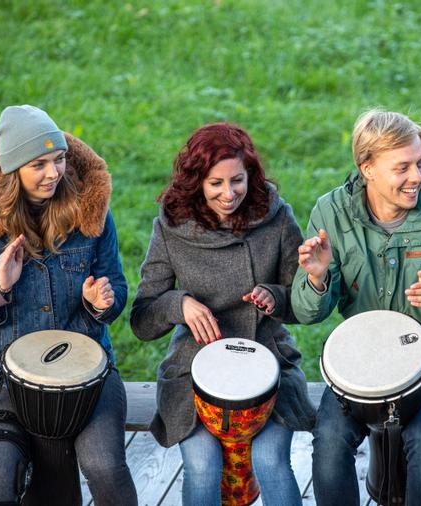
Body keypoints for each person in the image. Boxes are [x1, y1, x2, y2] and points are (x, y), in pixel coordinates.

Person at [0, 105, 137, 505]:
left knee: (104, 465)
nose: (53, 173)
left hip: (88, 376)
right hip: (1, 379)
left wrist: (101, 303)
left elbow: (118, 289)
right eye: (38, 164)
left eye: (58, 159)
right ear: (13, 170)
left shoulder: (89, 210)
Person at [292, 109, 421, 506]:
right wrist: (317, 278)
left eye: (420, 163)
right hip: (363, 364)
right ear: (368, 169)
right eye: (402, 168)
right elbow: (308, 312)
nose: (417, 176)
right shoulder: (330, 213)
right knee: (329, 438)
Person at [130, 123, 315, 506]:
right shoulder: (171, 227)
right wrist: (179, 304)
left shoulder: (277, 218)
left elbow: (302, 303)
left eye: (237, 180)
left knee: (269, 459)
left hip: (268, 363)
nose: (228, 194)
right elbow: (142, 320)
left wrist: (275, 296)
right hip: (193, 370)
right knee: (202, 464)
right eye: (216, 183)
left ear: (251, 175)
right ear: (196, 181)